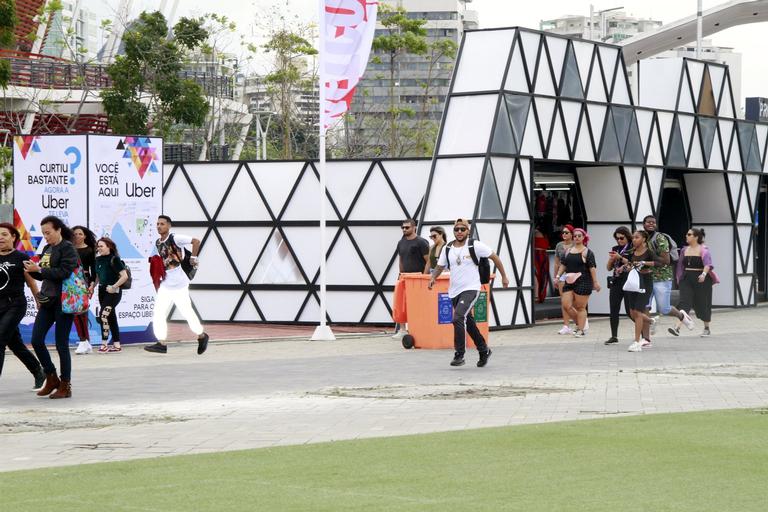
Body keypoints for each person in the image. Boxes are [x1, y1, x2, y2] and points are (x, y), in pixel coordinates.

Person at [428, 218, 510, 367]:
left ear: (468, 231)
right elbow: (440, 266)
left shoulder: (475, 245)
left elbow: (495, 257)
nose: (459, 232)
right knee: (469, 323)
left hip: (471, 289)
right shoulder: (448, 248)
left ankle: (459, 354)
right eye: (456, 229)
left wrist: (504, 276)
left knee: (457, 318)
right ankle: (484, 349)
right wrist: (433, 277)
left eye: (462, 229)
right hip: (454, 291)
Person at [23, 215, 79, 399]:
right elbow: (45, 275)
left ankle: (65, 384)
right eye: (43, 233)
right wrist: (33, 270)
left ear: (58, 230)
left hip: (63, 301)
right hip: (47, 300)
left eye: (48, 233)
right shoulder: (47, 248)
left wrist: (39, 270)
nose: (45, 237)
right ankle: (51, 377)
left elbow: (64, 272)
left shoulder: (68, 248)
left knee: (61, 344)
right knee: (37, 340)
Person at [145, 215, 209, 355]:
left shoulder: (175, 238)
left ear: (169, 226)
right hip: (166, 283)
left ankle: (201, 336)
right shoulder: (158, 242)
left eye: (162, 224)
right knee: (159, 313)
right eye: (157, 224)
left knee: (187, 312)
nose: (159, 226)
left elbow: (196, 241)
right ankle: (161, 343)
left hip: (180, 284)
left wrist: (193, 257)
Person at [0, 223, 45, 389]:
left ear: (13, 237)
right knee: (14, 344)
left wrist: (38, 300)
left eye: (4, 234)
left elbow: (32, 282)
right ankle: (38, 371)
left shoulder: (20, 257)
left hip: (15, 305)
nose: (1, 238)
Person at [643, 215, 693, 334]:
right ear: (643, 224)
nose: (651, 224)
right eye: (648, 222)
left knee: (664, 308)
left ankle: (682, 316)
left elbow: (666, 260)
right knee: (645, 306)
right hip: (646, 277)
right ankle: (647, 335)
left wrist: (647, 259)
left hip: (662, 278)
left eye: (653, 223)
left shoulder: (660, 238)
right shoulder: (641, 237)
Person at [669, 228, 716, 338]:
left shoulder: (704, 250)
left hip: (701, 279)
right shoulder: (684, 250)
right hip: (686, 279)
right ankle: (677, 327)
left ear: (696, 237)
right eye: (687, 234)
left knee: (702, 303)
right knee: (684, 301)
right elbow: (680, 265)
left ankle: (706, 327)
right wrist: (679, 278)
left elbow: (708, 264)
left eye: (689, 234)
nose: (686, 236)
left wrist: (704, 274)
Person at [554, 228, 600, 337]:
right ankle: (581, 324)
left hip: (583, 280)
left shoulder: (587, 252)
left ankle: (581, 329)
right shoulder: (568, 251)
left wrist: (595, 282)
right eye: (575, 236)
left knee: (580, 307)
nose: (577, 238)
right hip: (569, 280)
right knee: (566, 305)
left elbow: (592, 268)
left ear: (584, 238)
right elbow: (563, 265)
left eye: (579, 236)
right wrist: (557, 276)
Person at [392, 218, 429, 339]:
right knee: (402, 303)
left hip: (418, 277)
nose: (404, 229)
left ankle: (419, 328)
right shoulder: (400, 242)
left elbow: (428, 260)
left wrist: (424, 276)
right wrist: (400, 274)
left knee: (418, 304)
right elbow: (401, 259)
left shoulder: (421, 242)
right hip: (405, 277)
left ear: (414, 228)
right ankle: (402, 329)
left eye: (407, 227)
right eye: (402, 227)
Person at [622, 230, 657, 352]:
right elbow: (631, 265)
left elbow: (659, 262)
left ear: (643, 239)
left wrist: (644, 263)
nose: (634, 239)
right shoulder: (632, 251)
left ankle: (637, 342)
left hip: (645, 281)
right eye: (633, 238)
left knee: (637, 311)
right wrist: (626, 267)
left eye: (636, 237)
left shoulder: (649, 252)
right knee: (632, 312)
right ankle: (651, 320)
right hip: (633, 282)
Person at [94, 237, 130, 353]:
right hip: (102, 291)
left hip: (113, 292)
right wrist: (92, 287)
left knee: (103, 315)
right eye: (98, 246)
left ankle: (104, 344)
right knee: (111, 317)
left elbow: (124, 276)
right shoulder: (98, 260)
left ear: (109, 247)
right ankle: (117, 345)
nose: (99, 248)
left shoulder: (115, 259)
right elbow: (98, 276)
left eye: (101, 246)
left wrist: (114, 287)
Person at [604, 226, 633, 344]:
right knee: (614, 308)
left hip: (628, 281)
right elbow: (608, 268)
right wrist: (611, 259)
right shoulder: (615, 248)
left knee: (629, 310)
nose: (619, 241)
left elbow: (633, 263)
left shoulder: (632, 248)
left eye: (622, 238)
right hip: (616, 281)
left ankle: (643, 332)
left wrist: (620, 257)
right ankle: (614, 336)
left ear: (627, 237)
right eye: (617, 239)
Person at [71, 225, 97, 355]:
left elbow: (94, 269)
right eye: (75, 234)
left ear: (85, 236)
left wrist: (92, 284)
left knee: (82, 312)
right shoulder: (69, 249)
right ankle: (84, 341)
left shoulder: (90, 250)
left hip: (83, 282)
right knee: (75, 313)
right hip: (70, 283)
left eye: (80, 234)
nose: (77, 236)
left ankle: (84, 341)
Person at [554, 224, 577, 334]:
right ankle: (566, 325)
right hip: (562, 275)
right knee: (564, 301)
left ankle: (579, 323)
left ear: (572, 234)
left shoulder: (576, 244)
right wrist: (555, 277)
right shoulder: (559, 245)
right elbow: (556, 262)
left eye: (567, 232)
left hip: (574, 274)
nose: (564, 234)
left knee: (575, 301)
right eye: (563, 232)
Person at [533, 222, 550, 303]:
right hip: (543, 255)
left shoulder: (536, 233)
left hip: (537, 255)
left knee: (536, 275)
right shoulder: (545, 235)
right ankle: (539, 296)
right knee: (543, 276)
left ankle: (536, 296)